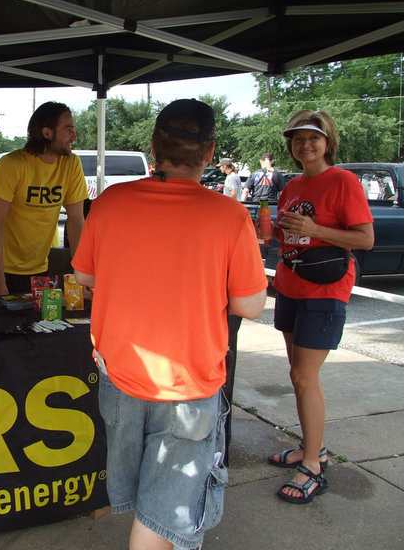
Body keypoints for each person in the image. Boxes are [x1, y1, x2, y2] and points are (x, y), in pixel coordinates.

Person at [72, 99, 268, 550]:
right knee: (164, 519)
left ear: (154, 145)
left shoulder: (111, 202)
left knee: (146, 501)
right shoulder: (229, 216)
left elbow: (85, 275)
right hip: (187, 387)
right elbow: (251, 305)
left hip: (120, 377)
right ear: (209, 151)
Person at [267, 109, 373, 504]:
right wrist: (274, 232)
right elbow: (293, 235)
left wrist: (313, 230)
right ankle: (310, 446)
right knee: (297, 375)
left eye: (312, 137)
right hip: (290, 284)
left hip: (324, 291)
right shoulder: (292, 185)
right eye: (297, 139)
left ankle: (312, 464)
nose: (304, 145)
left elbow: (364, 240)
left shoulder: (342, 181)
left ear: (327, 141)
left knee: (305, 377)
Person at [0, 101, 88, 299]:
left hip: (39, 271)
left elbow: (76, 220)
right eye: (68, 130)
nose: (74, 136)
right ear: (47, 133)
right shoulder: (13, 164)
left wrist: (81, 277)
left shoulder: (72, 163)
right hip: (0, 270)